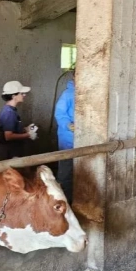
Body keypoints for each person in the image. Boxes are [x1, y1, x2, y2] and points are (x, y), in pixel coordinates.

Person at [0, 80, 38, 160]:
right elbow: (8, 136)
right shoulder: (9, 112)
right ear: (14, 96)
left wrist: (25, 129)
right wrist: (28, 135)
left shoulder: (11, 110)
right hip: (10, 153)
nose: (24, 95)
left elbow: (11, 129)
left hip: (13, 150)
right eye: (21, 93)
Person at [54, 70, 75, 202]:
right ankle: (62, 200)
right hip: (68, 136)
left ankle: (73, 198)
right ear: (74, 76)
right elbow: (59, 114)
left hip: (82, 137)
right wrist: (68, 124)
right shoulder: (68, 94)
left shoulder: (86, 93)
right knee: (66, 169)